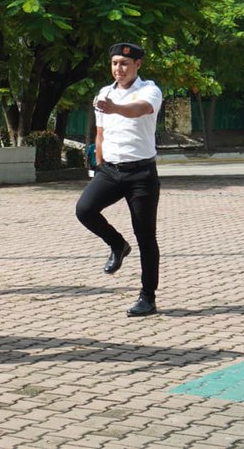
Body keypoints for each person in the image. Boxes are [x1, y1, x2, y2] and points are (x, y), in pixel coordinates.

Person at [74, 42, 163, 317]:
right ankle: (117, 244)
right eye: (114, 63)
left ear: (137, 65)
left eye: (124, 64)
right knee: (85, 210)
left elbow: (138, 110)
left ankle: (147, 297)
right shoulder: (104, 93)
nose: (118, 69)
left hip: (141, 173)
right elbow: (100, 133)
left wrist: (114, 108)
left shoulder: (149, 90)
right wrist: (98, 165)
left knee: (145, 235)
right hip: (110, 171)